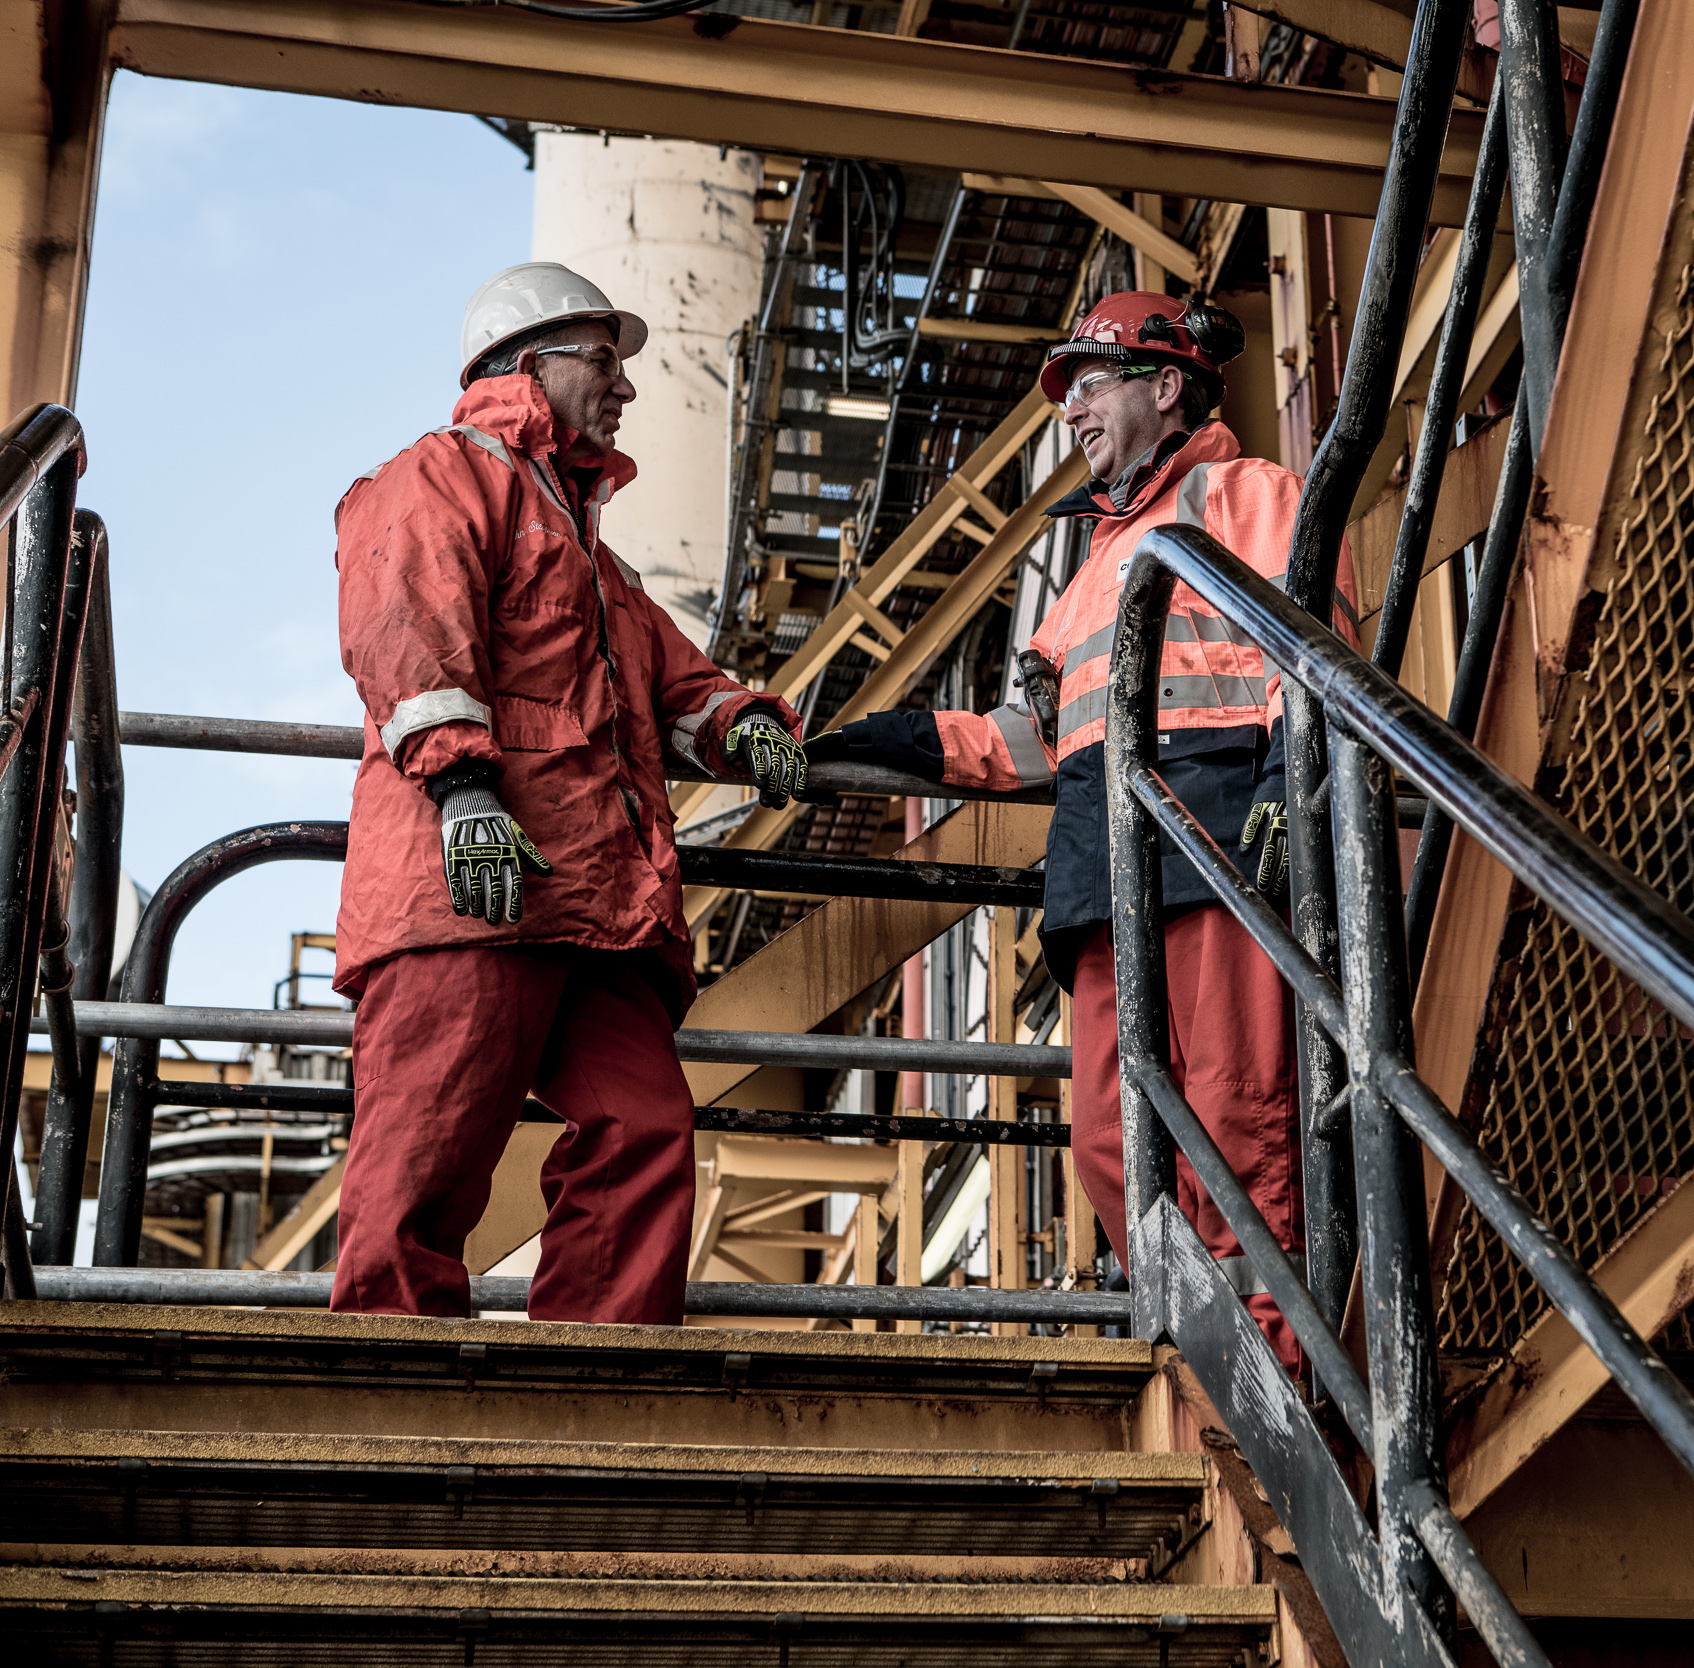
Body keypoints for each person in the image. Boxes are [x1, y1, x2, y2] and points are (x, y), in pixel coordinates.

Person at [812, 291, 1361, 1370]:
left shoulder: (1251, 495)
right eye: (1066, 393)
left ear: (1166, 387)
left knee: (1237, 1121)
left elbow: (1316, 646)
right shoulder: (1094, 566)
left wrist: (1288, 782)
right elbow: (1034, 740)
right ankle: (1195, 1344)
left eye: (1090, 384)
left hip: (1221, 840)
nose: (1072, 411)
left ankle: (1276, 1375)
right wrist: (892, 742)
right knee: (1112, 1142)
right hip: (1105, 862)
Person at [327, 262, 807, 1324]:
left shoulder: (599, 565)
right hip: (465, 890)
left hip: (591, 910)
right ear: (521, 366)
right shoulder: (440, 477)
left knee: (642, 1129)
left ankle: (600, 1386)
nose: (625, 386)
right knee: (426, 1158)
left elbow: (680, 687)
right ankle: (383, 1409)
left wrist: (745, 721)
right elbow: (403, 630)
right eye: (603, 359)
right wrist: (461, 791)